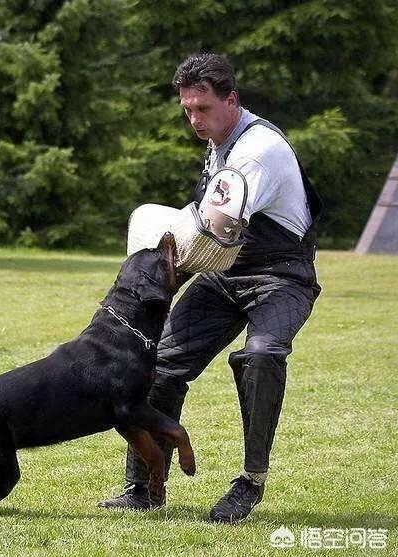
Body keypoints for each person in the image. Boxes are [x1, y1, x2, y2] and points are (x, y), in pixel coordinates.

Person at [98, 52, 323, 523]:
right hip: (226, 274)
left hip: (282, 276)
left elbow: (207, 230)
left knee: (261, 357)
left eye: (203, 109)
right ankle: (144, 486)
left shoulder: (256, 150)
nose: (194, 119)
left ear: (232, 99)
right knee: (159, 366)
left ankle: (250, 482)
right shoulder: (219, 142)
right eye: (187, 110)